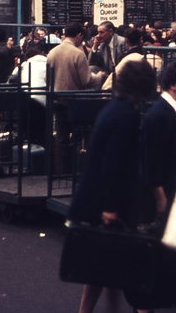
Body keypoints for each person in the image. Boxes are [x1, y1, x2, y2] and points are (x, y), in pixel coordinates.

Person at [66, 60, 157, 313]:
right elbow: (114, 164)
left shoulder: (113, 108)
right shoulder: (127, 115)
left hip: (93, 197)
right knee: (113, 266)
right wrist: (111, 207)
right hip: (106, 202)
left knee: (104, 267)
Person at [142, 60, 176, 224]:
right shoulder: (160, 114)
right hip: (165, 194)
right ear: (174, 84)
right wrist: (160, 197)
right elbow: (152, 161)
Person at [47, 22, 105, 173]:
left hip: (56, 99)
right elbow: (87, 81)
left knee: (62, 137)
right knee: (79, 136)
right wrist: (99, 76)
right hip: (74, 102)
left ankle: (63, 172)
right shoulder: (78, 54)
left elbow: (49, 79)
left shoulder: (52, 52)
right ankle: (77, 171)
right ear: (79, 35)